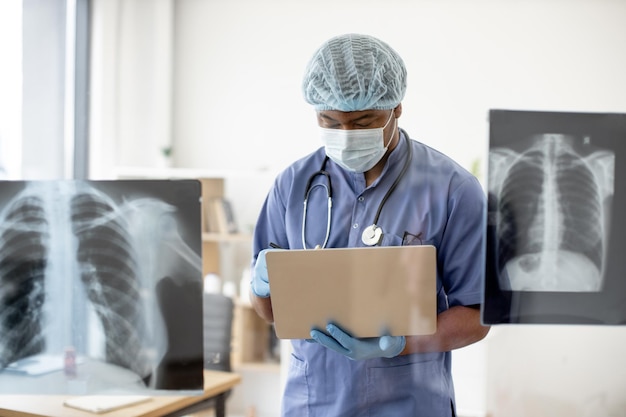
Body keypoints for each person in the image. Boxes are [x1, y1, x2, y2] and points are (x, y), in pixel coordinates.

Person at [249, 33, 490, 417]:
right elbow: (269, 311)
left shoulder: (452, 189)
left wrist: (398, 345)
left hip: (409, 405)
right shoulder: (292, 185)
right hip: (313, 404)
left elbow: (476, 318)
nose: (346, 136)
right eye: (329, 121)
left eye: (363, 122)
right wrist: (260, 286)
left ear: (396, 108)